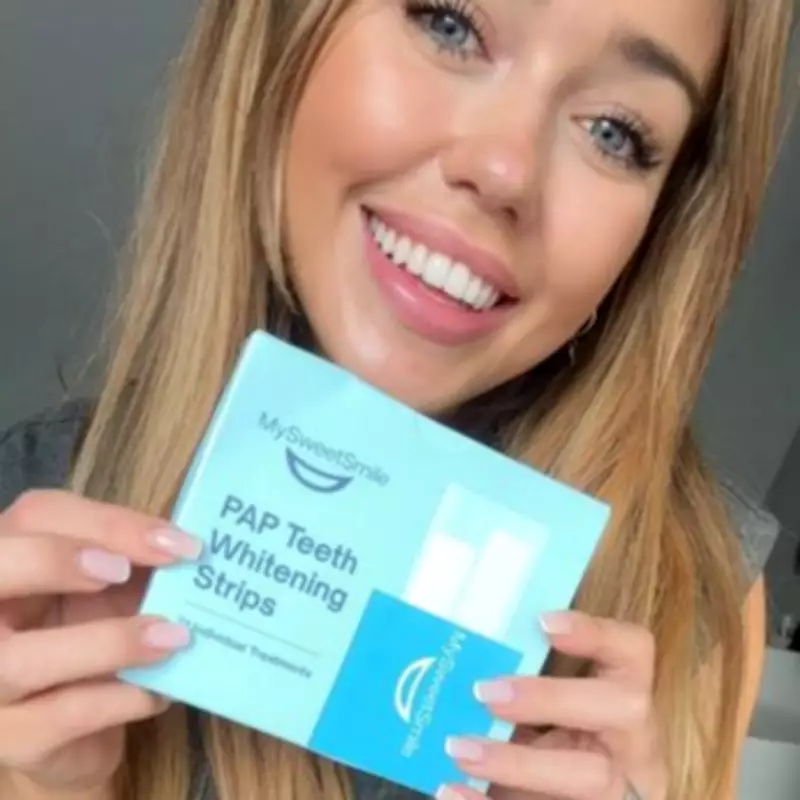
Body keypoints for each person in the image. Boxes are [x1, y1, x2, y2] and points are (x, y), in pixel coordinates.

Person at [0, 0, 793, 798]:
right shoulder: (34, 533)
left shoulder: (683, 581)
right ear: (283, 27)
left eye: (615, 133)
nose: (506, 171)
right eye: (450, 24)